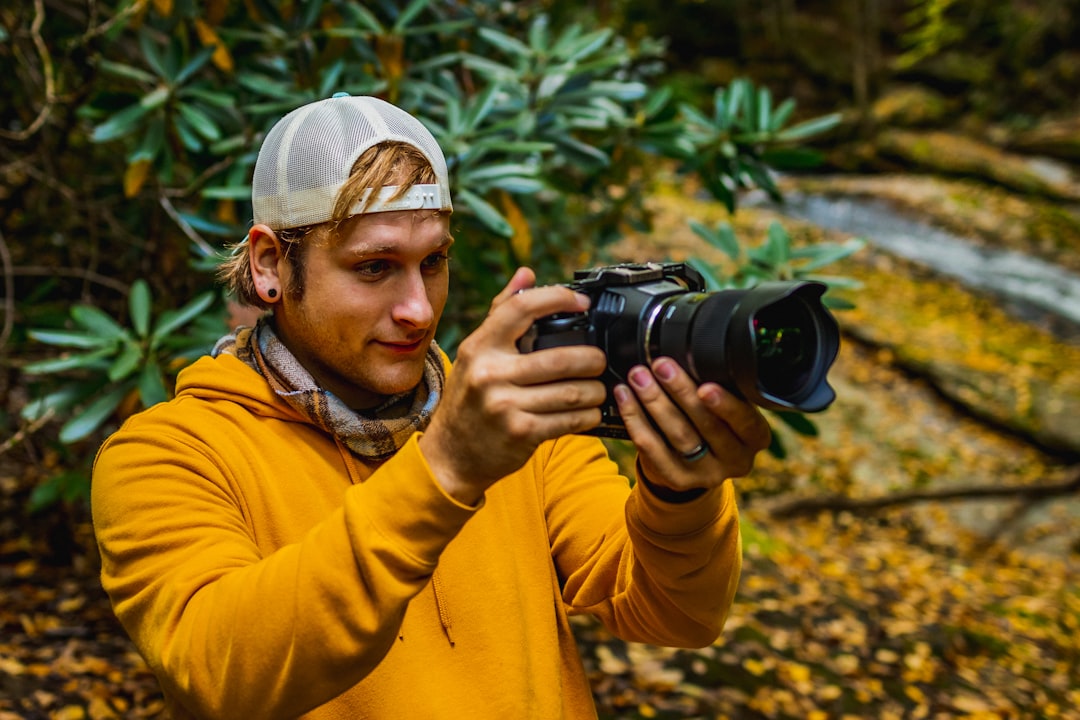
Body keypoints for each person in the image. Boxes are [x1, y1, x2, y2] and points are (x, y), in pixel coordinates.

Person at [91, 93, 772, 719]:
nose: (418, 309)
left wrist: (679, 494)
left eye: (434, 261)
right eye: (374, 267)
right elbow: (220, 673)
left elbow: (674, 616)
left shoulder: (512, 418)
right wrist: (445, 467)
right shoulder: (166, 454)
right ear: (270, 264)